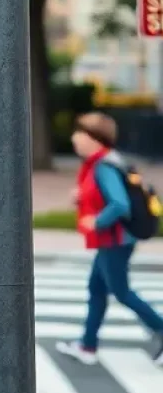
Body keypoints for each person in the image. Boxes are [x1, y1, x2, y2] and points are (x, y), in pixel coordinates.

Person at [56, 112, 163, 367]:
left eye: (80, 133)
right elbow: (103, 196)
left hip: (115, 240)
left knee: (121, 292)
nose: (74, 138)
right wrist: (81, 198)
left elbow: (119, 204)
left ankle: (90, 344)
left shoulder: (104, 166)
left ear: (95, 138)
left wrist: (97, 221)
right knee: (97, 290)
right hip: (111, 241)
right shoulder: (100, 163)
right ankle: (87, 345)